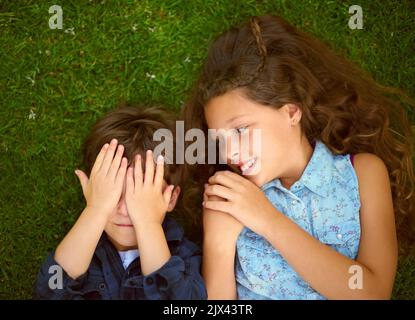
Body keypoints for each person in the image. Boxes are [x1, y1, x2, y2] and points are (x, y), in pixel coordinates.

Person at [182, 15, 414, 299]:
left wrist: (267, 219)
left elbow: (373, 294)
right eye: (219, 139)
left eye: (241, 129)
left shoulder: (363, 173)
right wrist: (218, 243)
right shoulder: (228, 201)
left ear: (291, 112)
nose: (229, 153)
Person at [34, 105, 207, 300]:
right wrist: (96, 209)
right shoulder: (80, 251)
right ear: (92, 191)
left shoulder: (186, 258)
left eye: (139, 194)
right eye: (113, 192)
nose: (124, 210)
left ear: (171, 198)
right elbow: (48, 291)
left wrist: (147, 224)